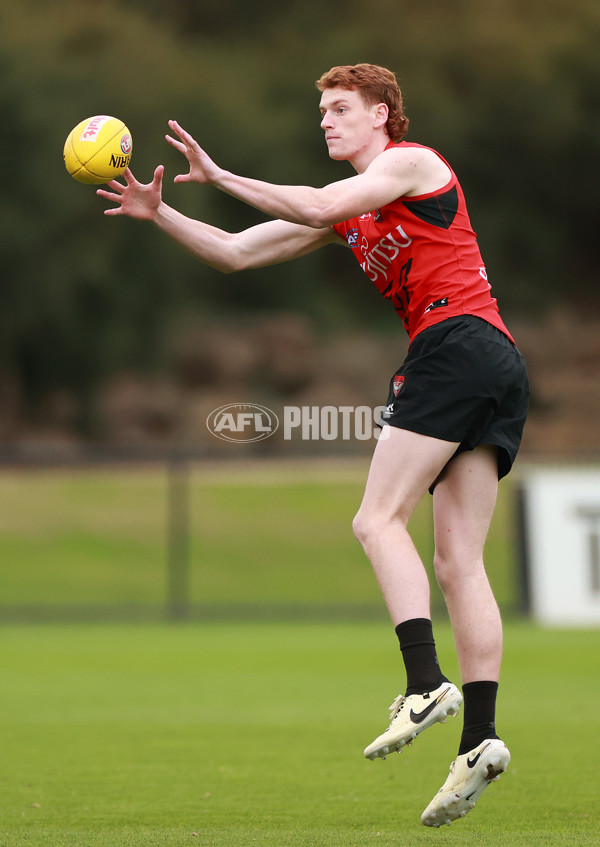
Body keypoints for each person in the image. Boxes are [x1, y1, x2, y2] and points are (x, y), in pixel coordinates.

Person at [97, 63, 529, 827]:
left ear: (383, 115)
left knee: (375, 520)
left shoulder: (410, 162)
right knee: (458, 559)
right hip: (494, 358)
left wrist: (221, 173)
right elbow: (235, 253)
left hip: (455, 344)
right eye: (322, 110)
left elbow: (326, 198)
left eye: (340, 109)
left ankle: (425, 683)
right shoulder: (348, 216)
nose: (325, 121)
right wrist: (158, 212)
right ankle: (481, 736)